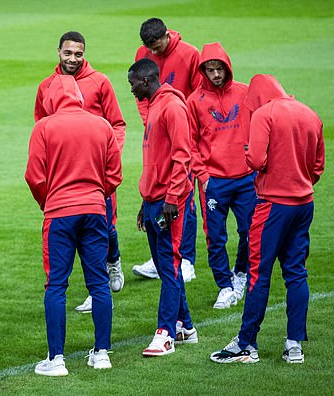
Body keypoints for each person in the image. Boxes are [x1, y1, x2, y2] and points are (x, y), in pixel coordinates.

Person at [210, 74, 325, 364]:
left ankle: (246, 343)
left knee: (258, 274)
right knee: (296, 273)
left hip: (272, 205)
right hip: (304, 203)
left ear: (258, 98)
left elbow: (257, 161)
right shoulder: (310, 113)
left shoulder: (265, 113)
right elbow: (317, 167)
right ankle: (294, 345)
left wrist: (250, 152)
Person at [26, 74, 122, 375]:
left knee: (56, 284)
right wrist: (95, 195)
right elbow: (114, 174)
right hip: (95, 211)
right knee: (98, 282)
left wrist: (49, 202)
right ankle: (102, 353)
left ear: (52, 99)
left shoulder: (44, 127)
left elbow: (34, 176)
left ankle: (56, 360)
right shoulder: (101, 125)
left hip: (59, 213)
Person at [34, 31, 126, 314]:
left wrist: (107, 160)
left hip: (97, 172)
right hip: (64, 177)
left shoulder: (100, 82)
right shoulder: (46, 86)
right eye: (68, 53)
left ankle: (113, 262)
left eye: (78, 54)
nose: (73, 58)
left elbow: (117, 125)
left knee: (106, 227)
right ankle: (94, 289)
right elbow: (41, 126)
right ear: (58, 52)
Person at [128, 58, 197, 357]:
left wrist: (172, 198)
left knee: (169, 268)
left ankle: (166, 334)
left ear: (145, 81)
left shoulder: (172, 107)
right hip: (154, 199)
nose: (130, 90)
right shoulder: (155, 105)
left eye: (132, 84)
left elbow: (183, 157)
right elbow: (156, 158)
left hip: (170, 202)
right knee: (164, 266)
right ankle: (187, 328)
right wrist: (146, 201)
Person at [187, 42, 256, 309]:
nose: (215, 75)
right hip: (213, 181)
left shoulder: (245, 93)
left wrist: (256, 164)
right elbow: (190, 143)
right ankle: (225, 286)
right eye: (210, 70)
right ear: (203, 71)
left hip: (246, 178)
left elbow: (260, 129)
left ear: (227, 67)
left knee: (250, 232)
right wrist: (203, 176)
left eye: (219, 69)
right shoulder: (194, 101)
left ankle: (239, 274)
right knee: (215, 237)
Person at [131, 18, 201, 282]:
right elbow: (141, 93)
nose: (155, 52)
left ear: (167, 35)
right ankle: (160, 257)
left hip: (181, 126)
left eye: (158, 46)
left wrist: (178, 120)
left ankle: (187, 260)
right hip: (156, 127)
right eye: (150, 48)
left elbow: (197, 94)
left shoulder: (189, 54)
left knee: (184, 195)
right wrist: (150, 119)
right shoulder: (144, 54)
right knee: (156, 189)